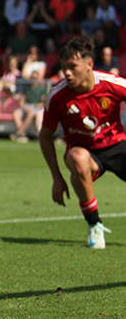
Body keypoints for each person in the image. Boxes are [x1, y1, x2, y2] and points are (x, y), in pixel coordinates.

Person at [38, 35, 126, 249]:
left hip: (117, 145)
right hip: (84, 151)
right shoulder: (57, 96)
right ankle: (94, 224)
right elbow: (45, 135)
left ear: (89, 64)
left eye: (72, 67)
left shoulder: (112, 84)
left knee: (78, 176)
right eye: (63, 67)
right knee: (78, 160)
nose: (66, 72)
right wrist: (57, 178)